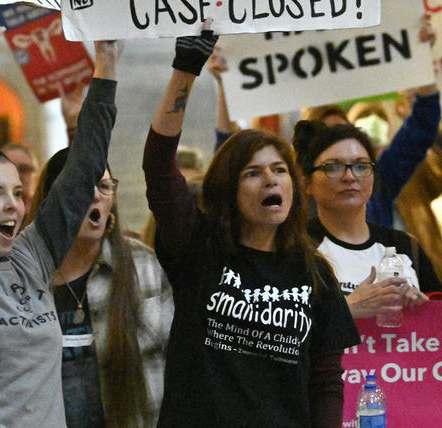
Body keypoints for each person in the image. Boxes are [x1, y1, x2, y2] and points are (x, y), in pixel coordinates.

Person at [143, 26, 359, 427]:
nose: (271, 181)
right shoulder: (198, 249)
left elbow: (327, 381)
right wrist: (185, 72)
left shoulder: (316, 274)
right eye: (253, 173)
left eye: (280, 170)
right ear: (230, 187)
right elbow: (158, 169)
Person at [0, 0, 119, 426]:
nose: (14, 205)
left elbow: (81, 177)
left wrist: (107, 67)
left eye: (19, 193)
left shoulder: (31, 258)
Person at [23, 149, 173, 427]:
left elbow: (173, 366)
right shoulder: (21, 276)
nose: (95, 196)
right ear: (52, 199)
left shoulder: (143, 267)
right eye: (81, 182)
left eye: (104, 186)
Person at [293, 121, 442, 320]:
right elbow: (274, 332)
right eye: (333, 167)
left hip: (404, 349)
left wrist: (424, 308)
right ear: (307, 183)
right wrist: (347, 309)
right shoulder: (295, 248)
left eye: (361, 166)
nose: (350, 176)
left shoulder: (404, 246)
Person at [1, 142, 40, 212]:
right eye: (9, 169)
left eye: (24, 169)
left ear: (36, 174)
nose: (17, 175)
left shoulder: (43, 209)